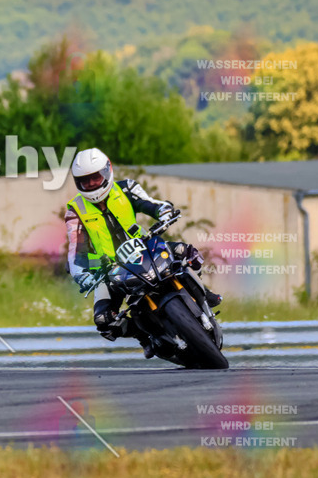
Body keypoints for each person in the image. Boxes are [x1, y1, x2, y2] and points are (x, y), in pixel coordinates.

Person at [65, 147, 222, 358]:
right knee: (104, 321)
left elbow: (151, 204)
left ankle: (204, 294)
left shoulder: (127, 188)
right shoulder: (75, 210)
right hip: (111, 268)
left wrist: (164, 211)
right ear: (78, 182)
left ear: (107, 171)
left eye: (95, 177)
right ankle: (144, 336)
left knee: (185, 251)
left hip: (144, 247)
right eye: (86, 180)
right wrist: (81, 274)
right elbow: (76, 251)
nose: (92, 184)